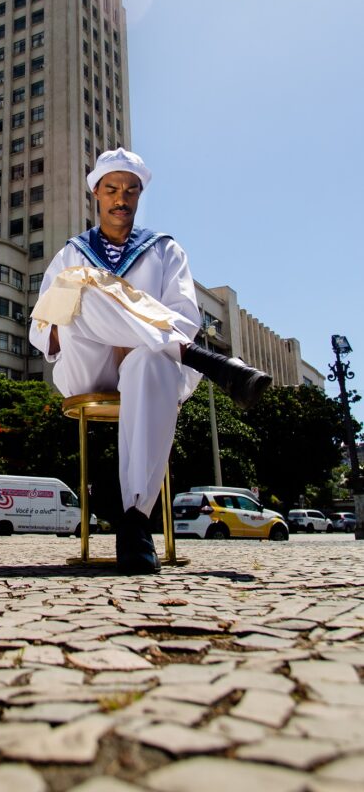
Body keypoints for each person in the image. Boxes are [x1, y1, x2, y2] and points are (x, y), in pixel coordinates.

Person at [29, 148, 271, 574]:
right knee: (78, 288)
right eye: (111, 189)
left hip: (149, 365)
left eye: (130, 190)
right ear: (97, 196)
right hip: (88, 362)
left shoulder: (165, 250)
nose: (121, 198)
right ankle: (210, 364)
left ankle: (136, 523)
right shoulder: (71, 252)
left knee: (150, 361)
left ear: (139, 195)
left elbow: (187, 316)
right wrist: (109, 321)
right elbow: (44, 325)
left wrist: (136, 338)